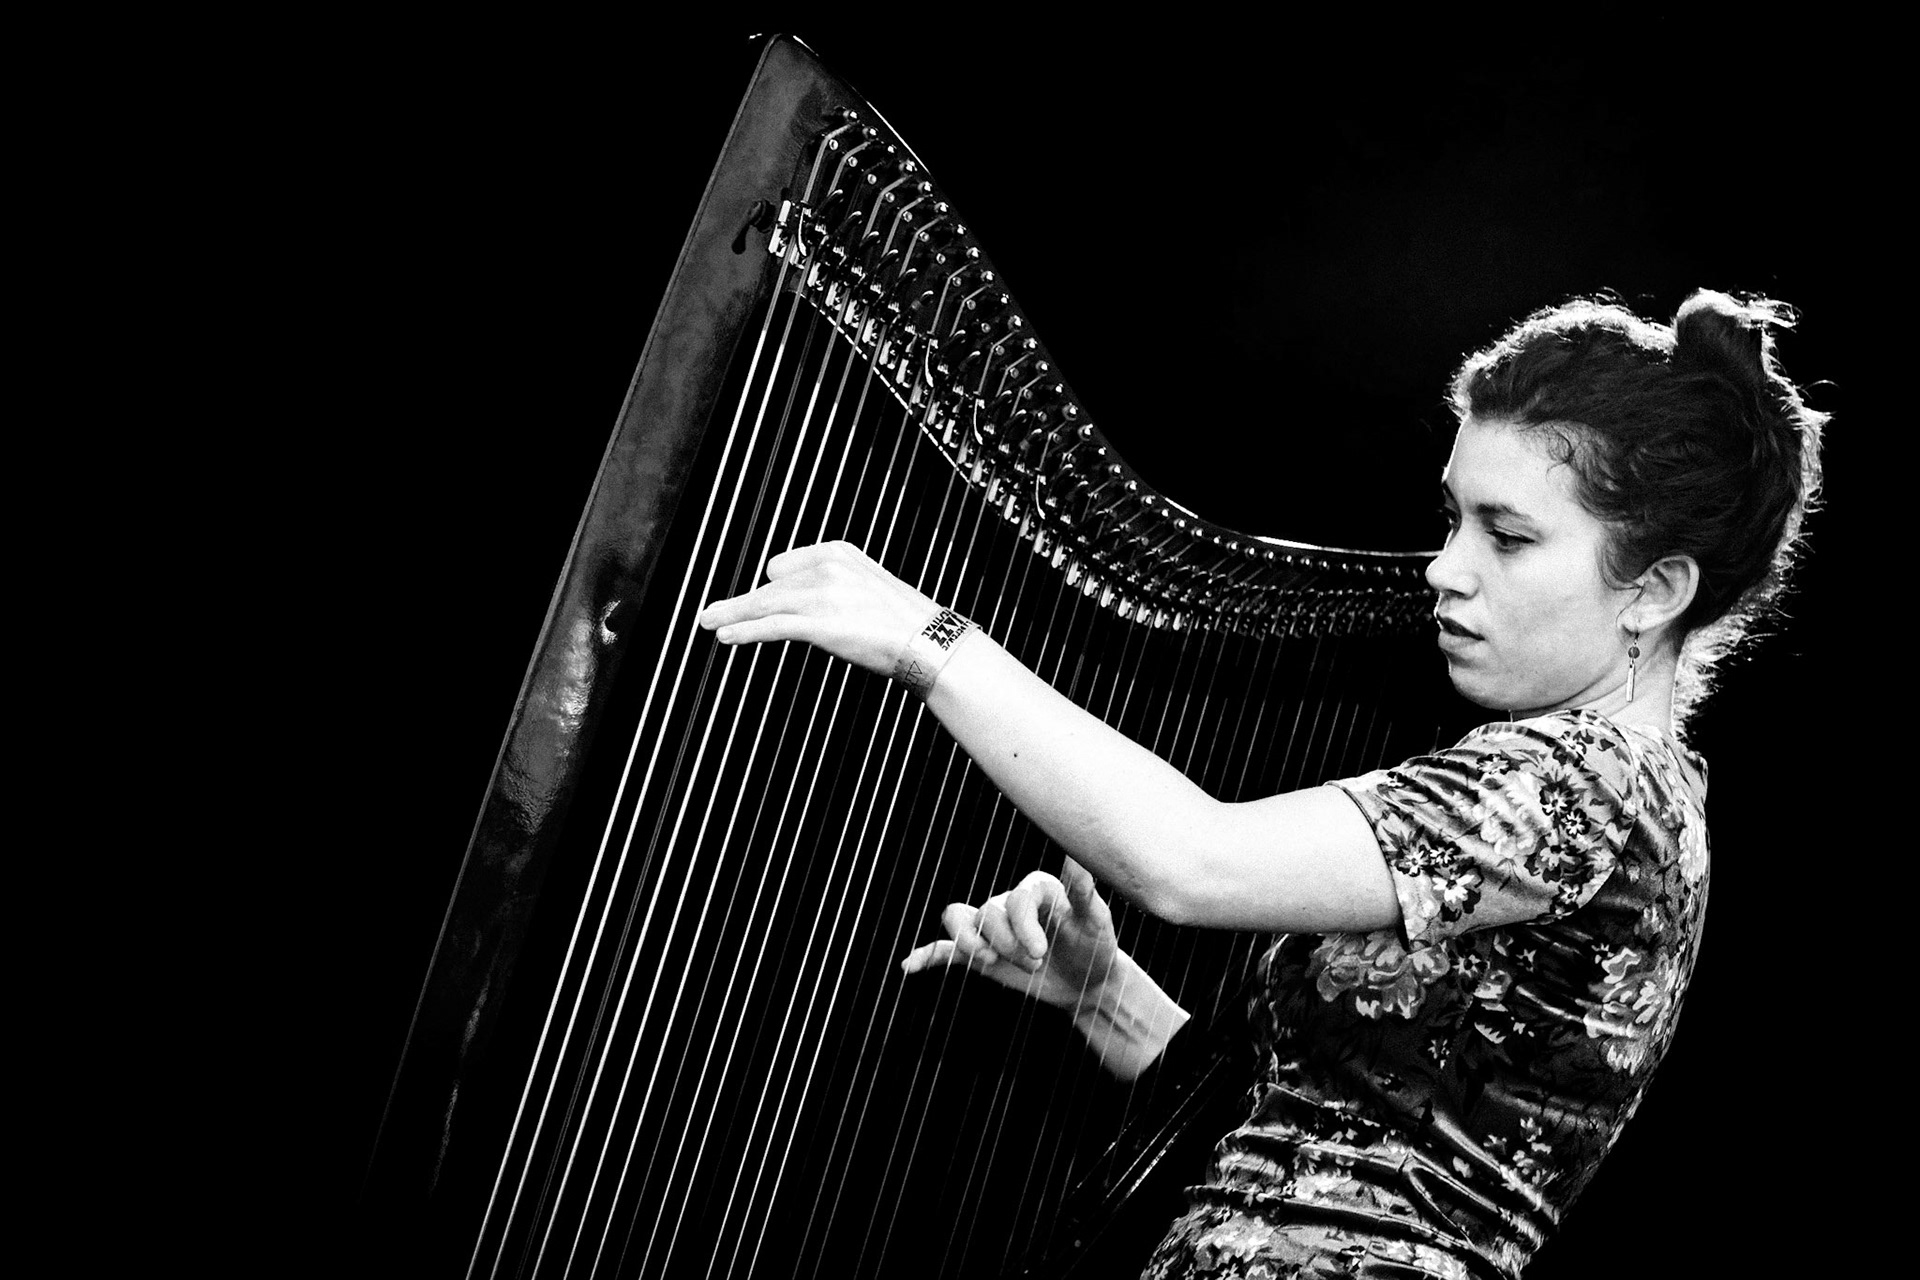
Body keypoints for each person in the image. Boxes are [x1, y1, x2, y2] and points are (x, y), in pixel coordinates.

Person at [696, 289, 1825, 1278]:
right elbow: (1358, 1134)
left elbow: (1189, 860)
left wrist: (927, 637)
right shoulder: (1616, 792)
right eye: (1453, 516)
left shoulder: (1587, 787)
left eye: (1509, 535)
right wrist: (1106, 997)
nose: (1446, 566)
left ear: (1656, 588)